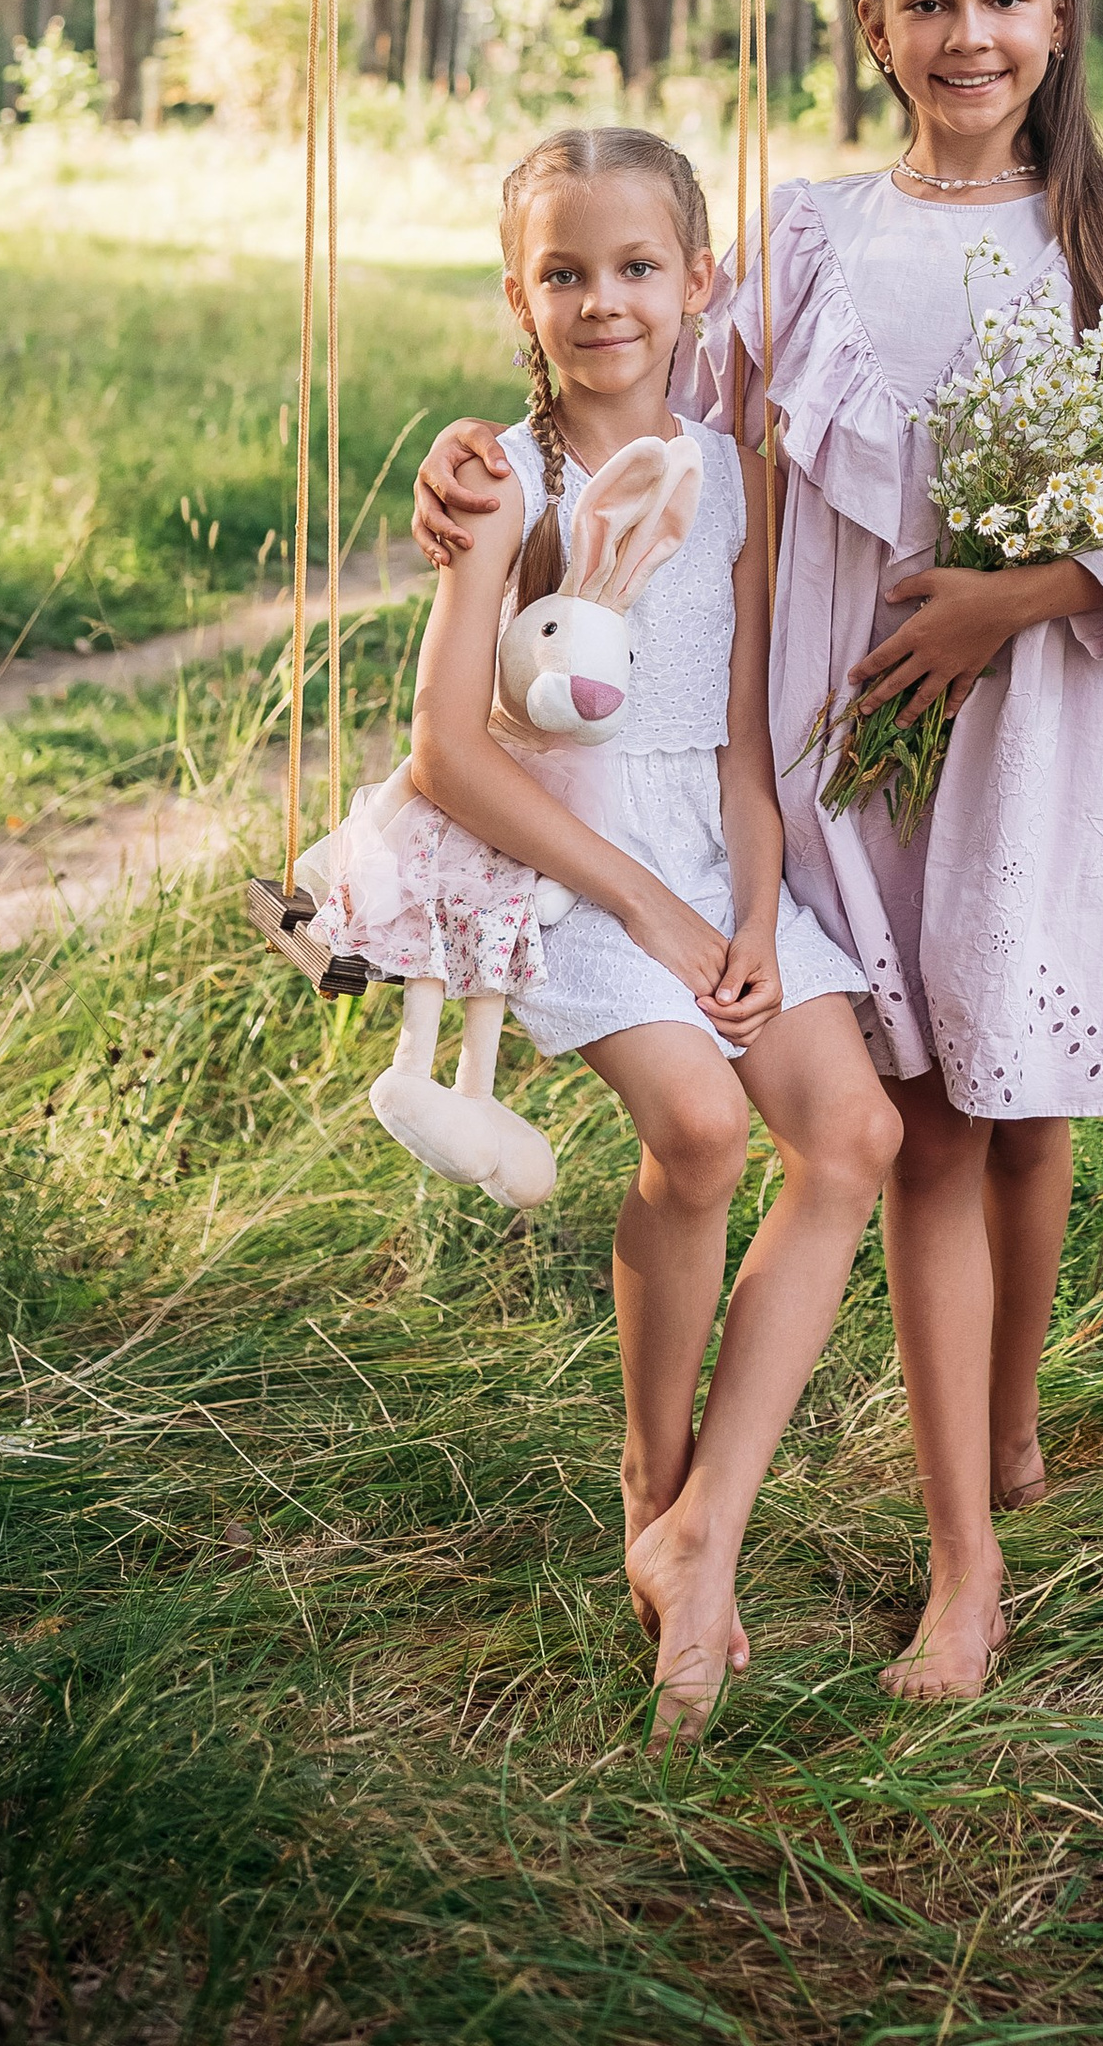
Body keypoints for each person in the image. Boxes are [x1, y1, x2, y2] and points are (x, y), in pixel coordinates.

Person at [414, 0, 1103, 1698]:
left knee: (981, 1112)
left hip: (1019, 734)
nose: (967, 33)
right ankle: (918, 1520)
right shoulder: (814, 234)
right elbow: (644, 391)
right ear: (876, 24)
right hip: (829, 754)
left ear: (1059, 16)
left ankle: (968, 1560)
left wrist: (1027, 596)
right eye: (927, 1)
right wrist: (470, 468)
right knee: (908, 1126)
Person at [404, 123, 898, 1736]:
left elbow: (747, 741)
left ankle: (703, 1528)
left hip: (712, 847)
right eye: (565, 273)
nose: (603, 299)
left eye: (635, 268)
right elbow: (452, 750)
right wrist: (664, 918)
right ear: (518, 297)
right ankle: (648, 1466)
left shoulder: (738, 477)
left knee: (853, 1132)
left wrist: (754, 914)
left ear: (701, 281)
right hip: (578, 856)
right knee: (697, 1125)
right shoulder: (507, 480)